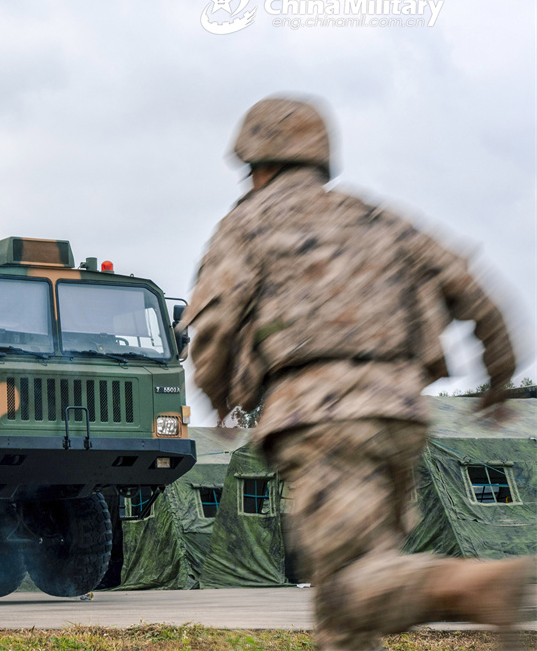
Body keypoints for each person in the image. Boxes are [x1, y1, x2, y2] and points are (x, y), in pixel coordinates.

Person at [183, 96, 533, 650]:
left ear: (262, 165)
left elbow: (216, 322)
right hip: (401, 413)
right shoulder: (380, 218)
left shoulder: (246, 224)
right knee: (346, 605)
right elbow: (474, 292)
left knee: (349, 587)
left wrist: (219, 396)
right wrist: (497, 380)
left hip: (320, 420)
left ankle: (471, 585)